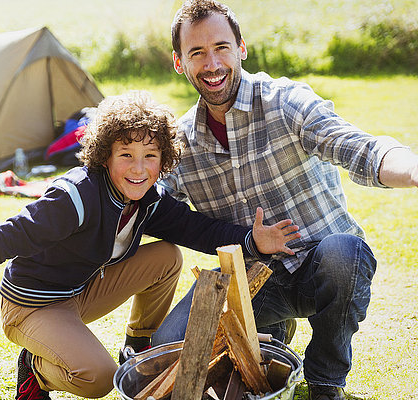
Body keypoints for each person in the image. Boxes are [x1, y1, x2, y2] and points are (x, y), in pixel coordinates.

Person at [0, 91, 300, 400]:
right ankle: (36, 369)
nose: (138, 168)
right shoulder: (73, 197)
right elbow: (5, 237)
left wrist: (250, 238)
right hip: (32, 307)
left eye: (150, 156)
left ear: (163, 160)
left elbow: (195, 229)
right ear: (104, 155)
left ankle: (139, 344)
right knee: (98, 380)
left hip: (81, 292)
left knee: (167, 256)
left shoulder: (150, 198)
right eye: (125, 154)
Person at [151, 1, 418, 399]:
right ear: (179, 63)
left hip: (320, 265)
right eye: (197, 53)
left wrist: (414, 172)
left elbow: (359, 148)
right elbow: (151, 203)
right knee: (167, 350)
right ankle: (270, 335)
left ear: (241, 48)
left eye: (221, 47)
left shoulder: (285, 101)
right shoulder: (182, 142)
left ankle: (326, 379)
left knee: (345, 253)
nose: (212, 64)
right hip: (250, 284)